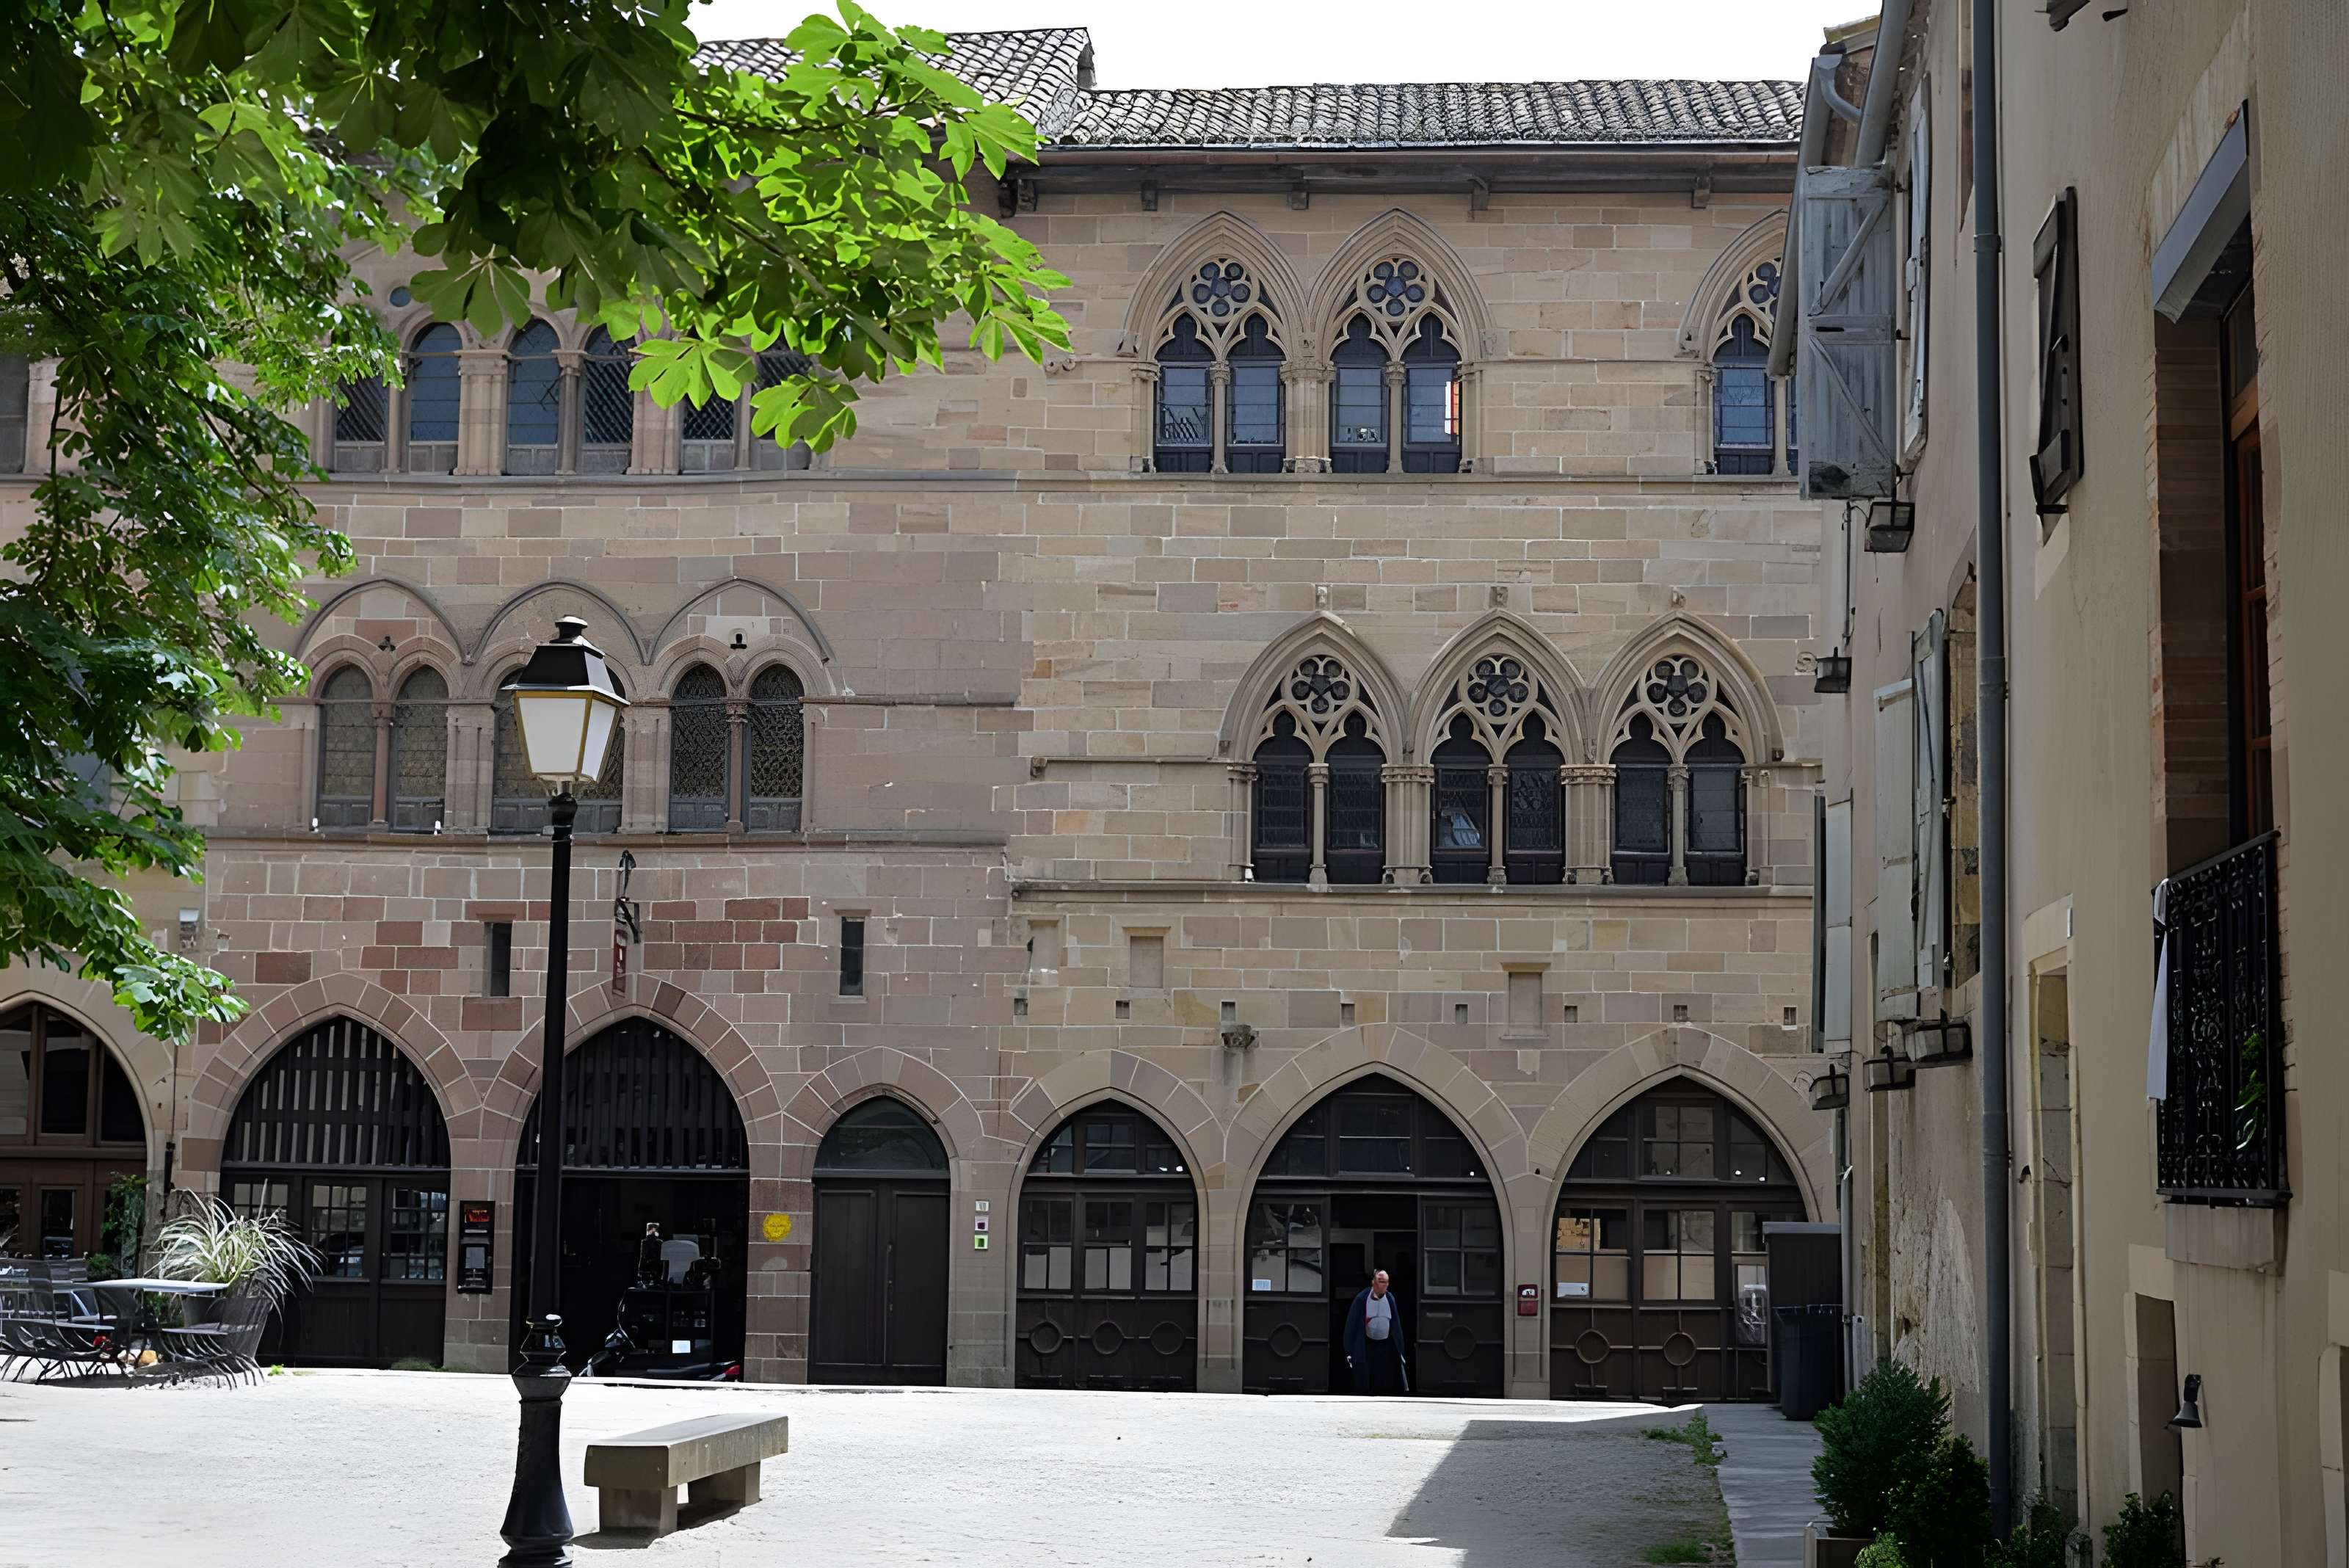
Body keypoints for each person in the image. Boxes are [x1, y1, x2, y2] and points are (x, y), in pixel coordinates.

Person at [1343, 1268, 1409, 1395]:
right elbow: (1352, 1324)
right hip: (1367, 1345)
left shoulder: (1390, 1298)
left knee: (1383, 1379)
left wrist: (1400, 1349)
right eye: (1380, 1281)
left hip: (1385, 1345)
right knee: (1365, 1381)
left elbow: (1396, 1325)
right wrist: (1348, 1350)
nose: (1383, 1284)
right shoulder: (1362, 1299)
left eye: (1386, 1282)